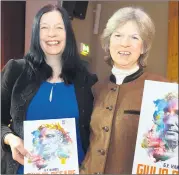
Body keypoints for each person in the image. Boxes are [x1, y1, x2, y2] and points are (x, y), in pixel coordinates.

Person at [1, 4, 97, 174]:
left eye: (58, 27)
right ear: (36, 33)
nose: (51, 33)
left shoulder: (86, 79)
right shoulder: (16, 71)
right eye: (44, 27)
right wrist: (9, 138)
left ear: (68, 33)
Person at [80, 7, 170, 174]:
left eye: (134, 37)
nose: (124, 43)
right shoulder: (96, 89)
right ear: (108, 42)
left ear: (143, 47)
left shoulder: (162, 91)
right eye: (118, 35)